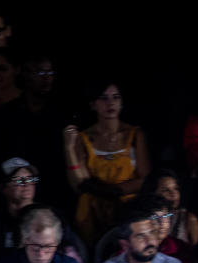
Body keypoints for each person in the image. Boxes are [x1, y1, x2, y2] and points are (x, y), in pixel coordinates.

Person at [63, 79, 150, 249]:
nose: (110, 102)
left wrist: (114, 192)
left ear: (122, 103)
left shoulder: (135, 134)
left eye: (115, 97)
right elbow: (79, 182)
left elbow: (144, 179)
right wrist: (69, 148)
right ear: (93, 104)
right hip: (93, 211)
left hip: (128, 208)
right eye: (103, 98)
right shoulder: (84, 138)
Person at [0, 53, 72, 208]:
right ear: (25, 75)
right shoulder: (6, 114)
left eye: (50, 73)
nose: (47, 78)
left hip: (56, 192)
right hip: (19, 192)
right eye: (40, 73)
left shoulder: (62, 113)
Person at [142, 168, 198, 245]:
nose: (173, 194)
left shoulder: (188, 219)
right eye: (165, 190)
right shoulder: (143, 219)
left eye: (176, 189)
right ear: (152, 193)